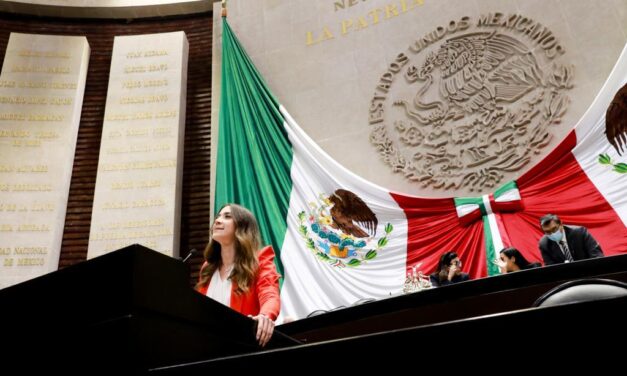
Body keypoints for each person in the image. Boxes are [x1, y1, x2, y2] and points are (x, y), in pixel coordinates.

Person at [196, 203, 281, 347]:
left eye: (227, 216)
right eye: (218, 216)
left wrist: (265, 316)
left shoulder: (260, 261)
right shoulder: (208, 268)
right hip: (207, 347)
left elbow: (270, 295)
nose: (217, 220)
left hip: (242, 346)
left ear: (242, 228)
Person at [538, 214, 604, 266]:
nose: (552, 233)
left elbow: (597, 257)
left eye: (554, 229)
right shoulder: (544, 244)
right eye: (548, 232)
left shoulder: (580, 232)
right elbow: (551, 269)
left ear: (561, 224)